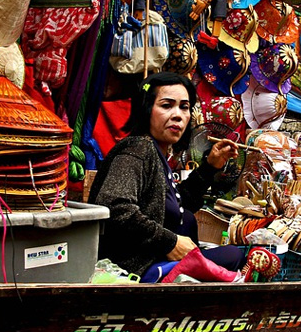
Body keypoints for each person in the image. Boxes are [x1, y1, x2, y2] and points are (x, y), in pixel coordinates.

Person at [88, 71, 245, 282]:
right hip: (136, 270)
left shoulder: (157, 153)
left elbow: (176, 206)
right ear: (146, 110)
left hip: (157, 261)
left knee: (234, 254)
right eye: (166, 105)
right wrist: (169, 242)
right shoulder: (138, 149)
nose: (178, 114)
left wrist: (209, 167)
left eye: (184, 107)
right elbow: (115, 206)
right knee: (236, 256)